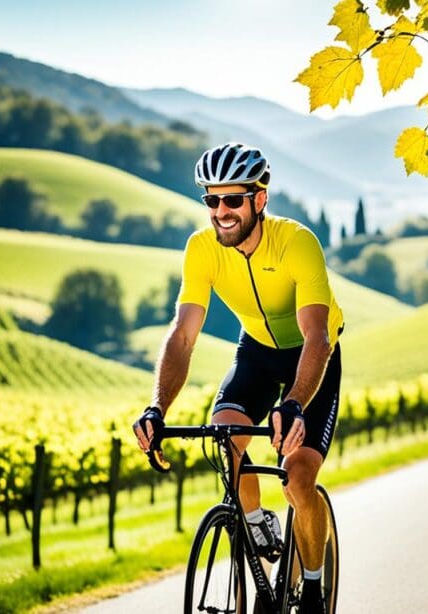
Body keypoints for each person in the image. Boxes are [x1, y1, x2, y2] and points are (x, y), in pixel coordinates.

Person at [133, 142, 343, 613]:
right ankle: (254, 526)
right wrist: (156, 409)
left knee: (298, 477)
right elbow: (183, 335)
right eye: (212, 200)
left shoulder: (296, 242)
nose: (221, 211)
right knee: (225, 434)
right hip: (257, 353)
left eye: (233, 200)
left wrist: (293, 404)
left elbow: (317, 337)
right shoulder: (202, 249)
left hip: (311, 357)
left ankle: (311, 587)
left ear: (259, 199)